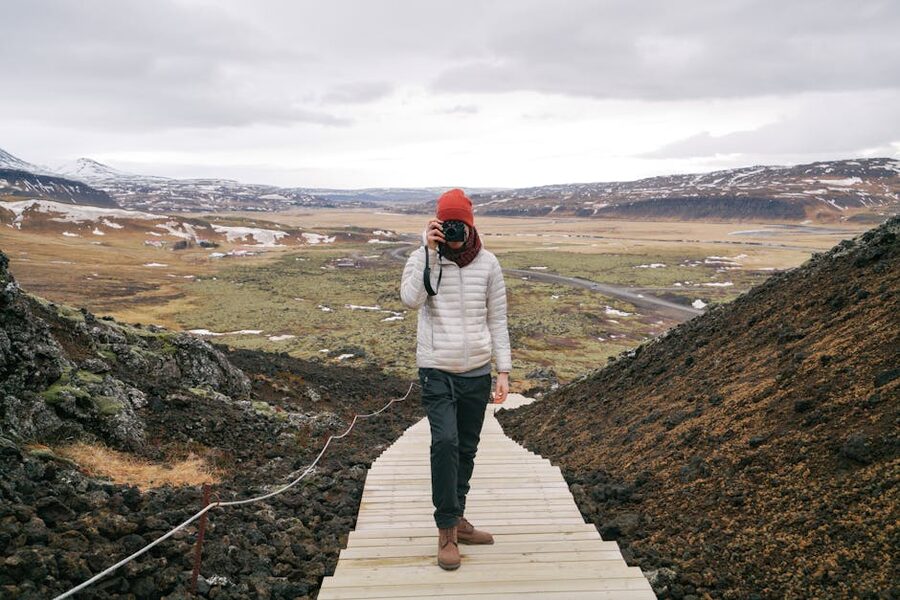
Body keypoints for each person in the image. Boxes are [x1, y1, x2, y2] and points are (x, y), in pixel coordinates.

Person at [400, 188, 512, 571]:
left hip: (477, 374)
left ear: (470, 223)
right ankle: (446, 531)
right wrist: (428, 253)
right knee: (444, 443)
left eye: (459, 224)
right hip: (436, 370)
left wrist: (504, 371)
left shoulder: (489, 264)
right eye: (447, 224)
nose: (454, 231)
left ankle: (458, 518)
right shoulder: (424, 258)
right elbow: (410, 300)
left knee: (466, 448)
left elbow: (497, 319)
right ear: (436, 224)